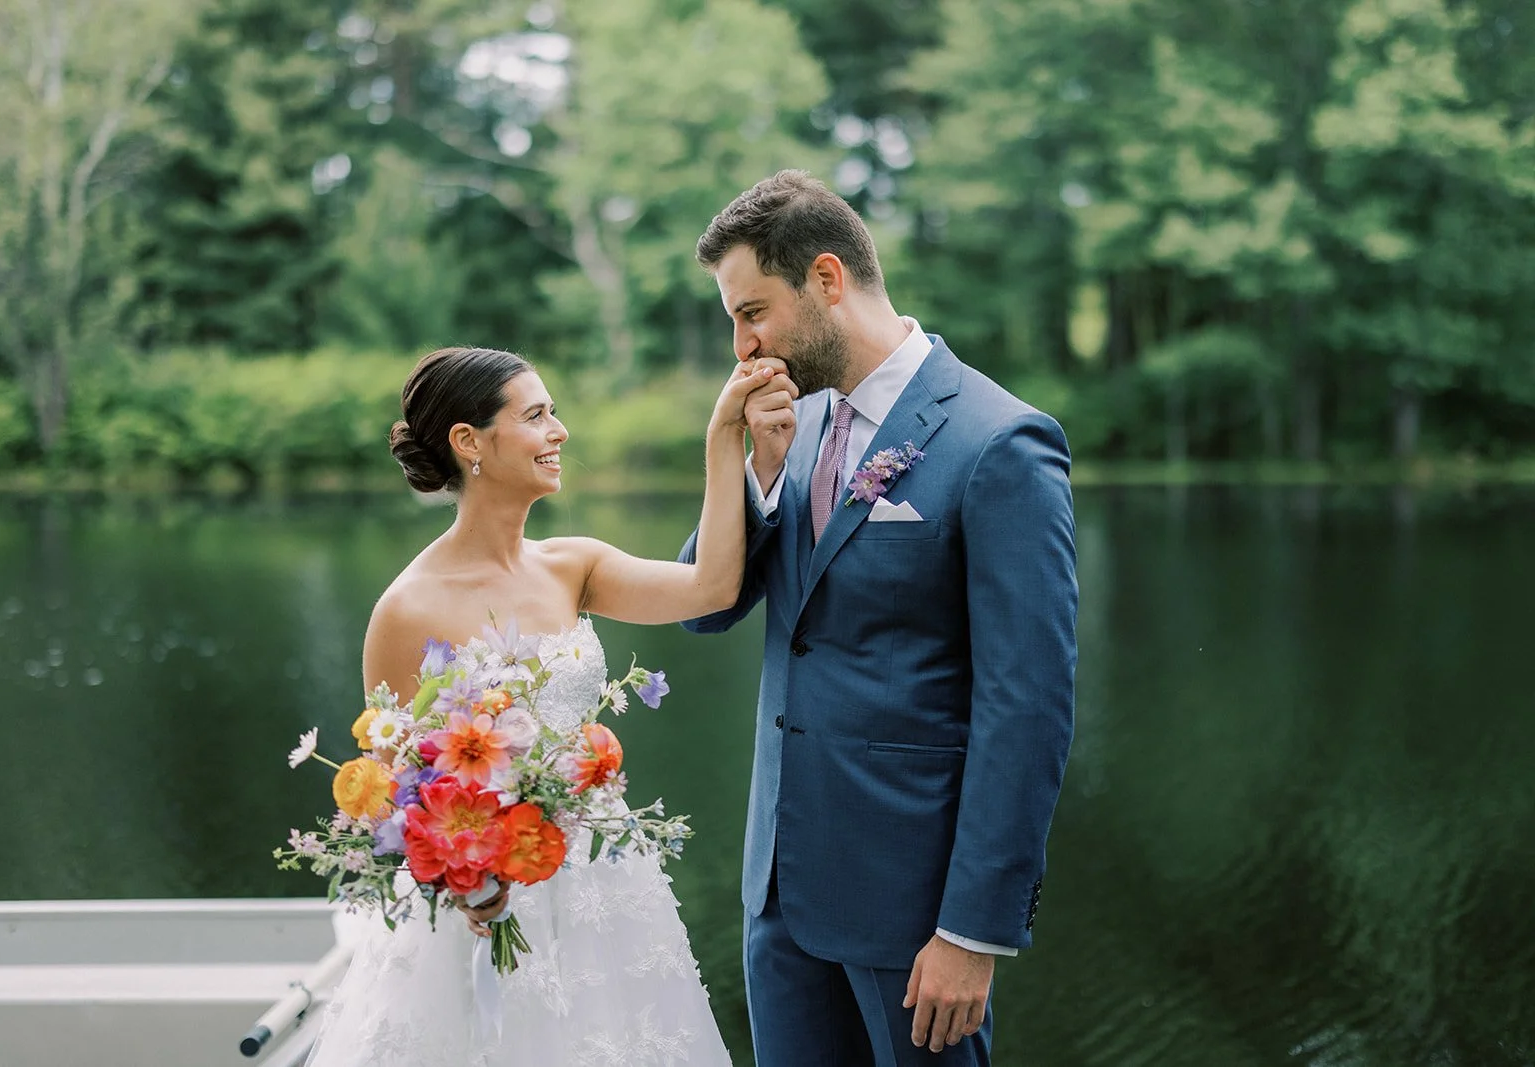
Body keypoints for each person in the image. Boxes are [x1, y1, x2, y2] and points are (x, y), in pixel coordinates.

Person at [679, 170, 1078, 1065]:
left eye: (752, 312)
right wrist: (760, 470)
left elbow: (1029, 709)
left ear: (827, 279)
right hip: (777, 895)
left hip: (914, 917)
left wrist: (975, 929)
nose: (742, 346)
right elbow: (704, 611)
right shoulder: (796, 417)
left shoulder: (998, 443)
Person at [305, 344, 791, 1067]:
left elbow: (715, 585)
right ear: (469, 442)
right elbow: (394, 794)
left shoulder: (574, 565)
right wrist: (467, 882)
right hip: (484, 902)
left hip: (604, 878)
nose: (559, 431)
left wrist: (725, 437)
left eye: (554, 412)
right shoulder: (405, 610)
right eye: (536, 415)